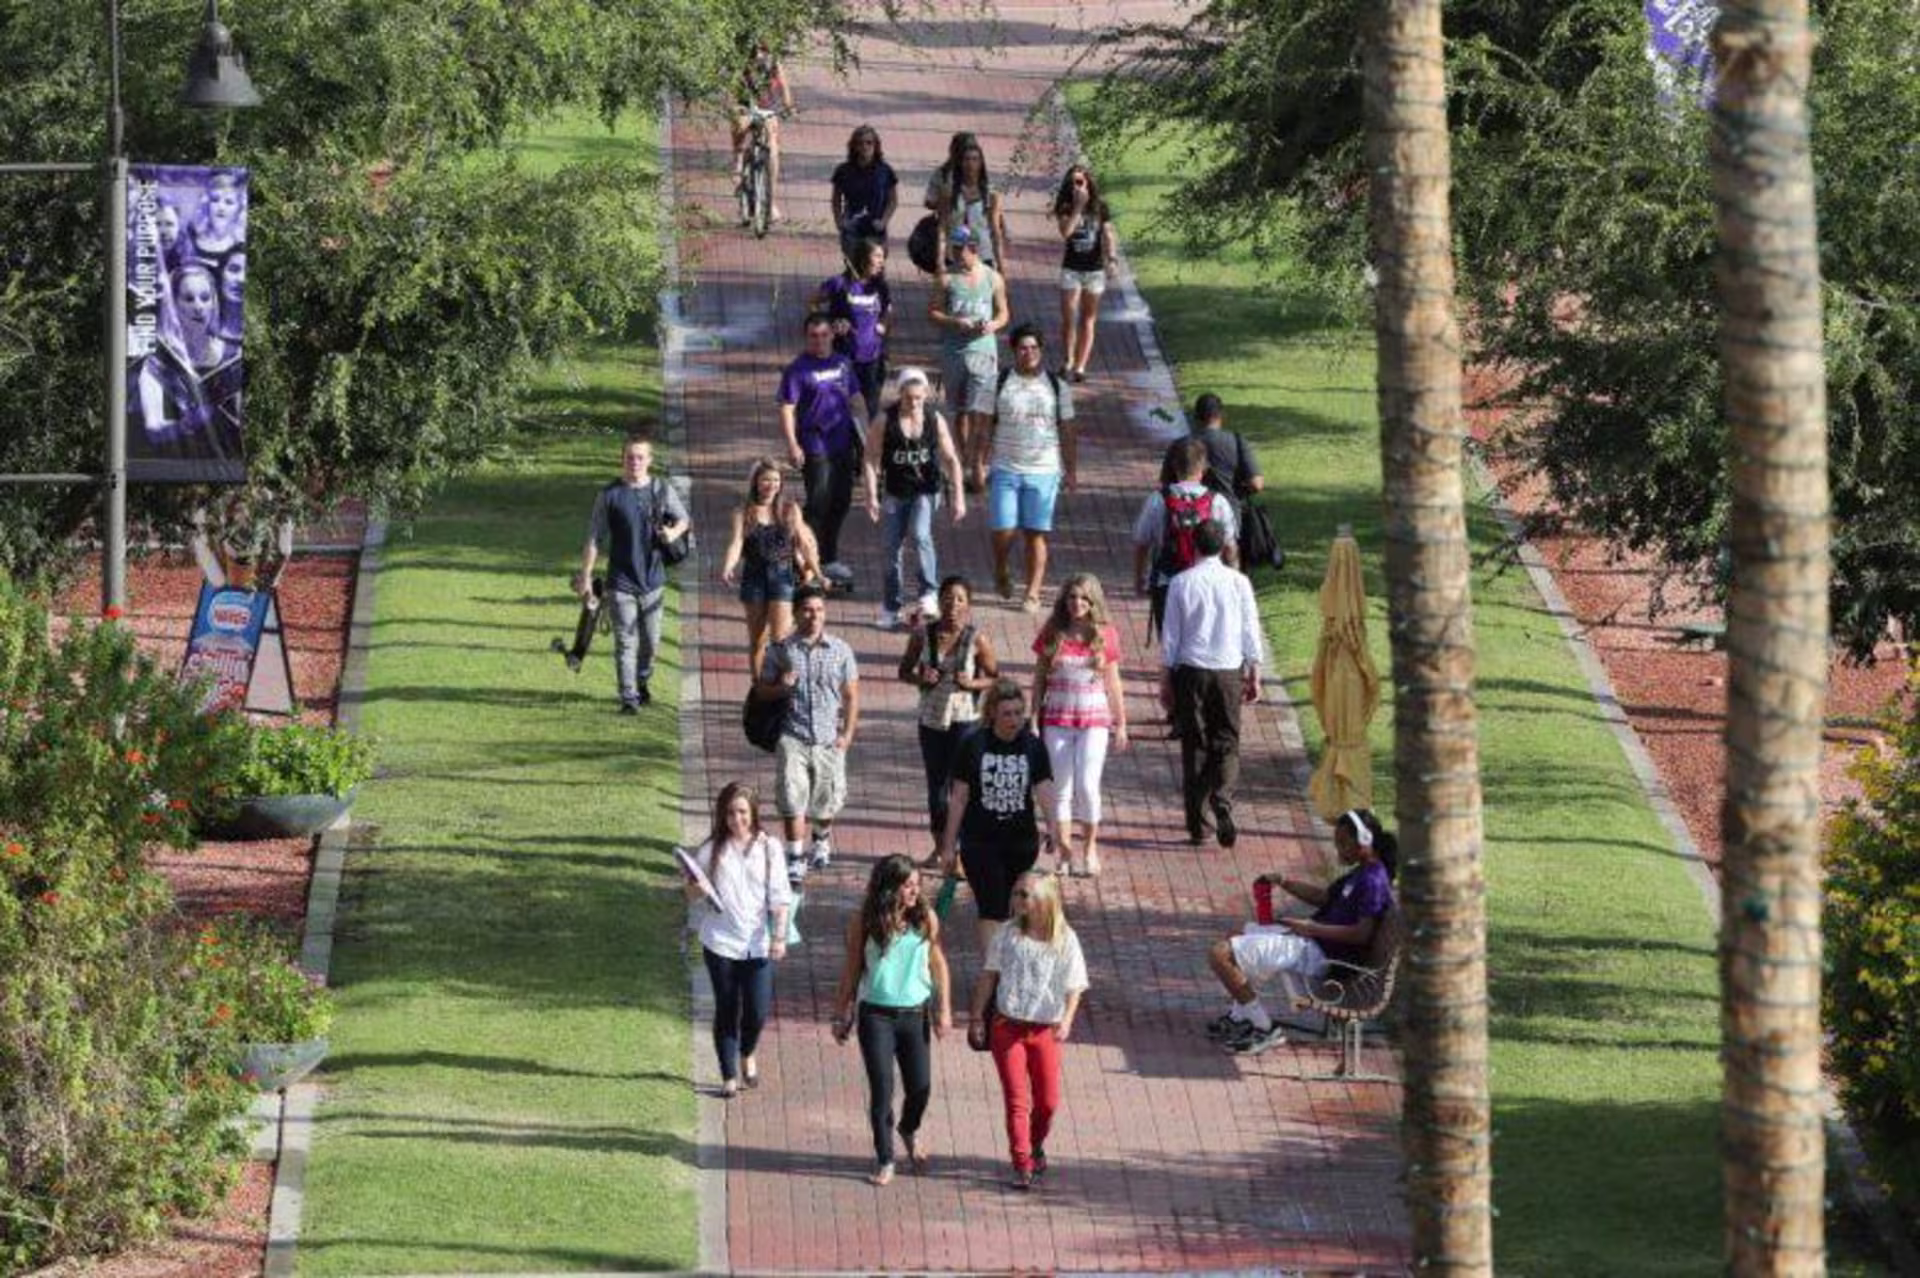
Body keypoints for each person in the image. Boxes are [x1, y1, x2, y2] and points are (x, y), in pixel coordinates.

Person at [1205, 809, 1397, 1055]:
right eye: (1336, 843)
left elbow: (1361, 934)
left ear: (1365, 840)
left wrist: (1310, 928)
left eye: (1343, 843)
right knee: (1233, 939)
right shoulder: (1362, 872)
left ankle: (1263, 1027)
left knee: (1219, 955)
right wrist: (1283, 881)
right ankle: (1240, 1015)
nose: (1338, 850)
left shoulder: (1373, 880)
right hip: (1309, 943)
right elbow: (1324, 898)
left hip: (1320, 956)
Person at [831, 855, 953, 1185]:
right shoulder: (864, 921)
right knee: (882, 1090)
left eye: (917, 885)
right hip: (876, 1016)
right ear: (890, 887)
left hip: (915, 1015)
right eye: (908, 885)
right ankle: (885, 1158)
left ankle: (908, 1128)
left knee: (921, 1088)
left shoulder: (925, 918)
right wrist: (840, 1011)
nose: (915, 891)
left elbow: (938, 964)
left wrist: (944, 1010)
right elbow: (852, 968)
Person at [967, 870, 1088, 1191]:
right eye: (1016, 893)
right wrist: (977, 1017)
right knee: (1017, 1099)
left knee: (1048, 1102)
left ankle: (1035, 1145)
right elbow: (989, 976)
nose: (1017, 899)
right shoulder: (1006, 935)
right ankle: (1021, 1162)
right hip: (1007, 1028)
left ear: (1045, 900)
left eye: (1025, 894)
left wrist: (1067, 1020)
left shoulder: (1065, 938)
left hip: (1045, 1031)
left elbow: (1075, 985)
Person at [1159, 520, 1263, 847]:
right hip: (1228, 671)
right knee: (1228, 741)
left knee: (1195, 746)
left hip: (1191, 671)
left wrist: (1165, 678)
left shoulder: (1180, 583)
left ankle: (1198, 824)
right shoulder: (1239, 583)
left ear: (1194, 544)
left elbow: (1171, 636)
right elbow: (1250, 628)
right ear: (1223, 546)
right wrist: (1254, 669)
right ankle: (1222, 797)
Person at [937, 678, 1060, 954]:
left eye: (1019, 713)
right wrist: (948, 846)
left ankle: (1011, 967)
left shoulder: (1033, 746)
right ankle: (995, 973)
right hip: (981, 841)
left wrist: (1053, 826)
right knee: (991, 908)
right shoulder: (974, 745)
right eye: (1007, 714)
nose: (1015, 720)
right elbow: (958, 798)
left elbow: (1044, 787)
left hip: (1021, 841)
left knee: (1017, 907)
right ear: (992, 712)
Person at [686, 782, 793, 1096]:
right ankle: (728, 1075)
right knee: (727, 1007)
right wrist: (697, 887)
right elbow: (690, 894)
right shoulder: (711, 850)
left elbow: (780, 896)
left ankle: (747, 1052)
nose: (737, 819)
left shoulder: (769, 848)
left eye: (742, 812)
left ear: (754, 812)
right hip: (720, 944)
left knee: (757, 1010)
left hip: (758, 946)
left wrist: (780, 936)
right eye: (730, 813)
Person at [578, 433, 691, 713]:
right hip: (620, 582)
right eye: (630, 457)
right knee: (626, 642)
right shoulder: (609, 495)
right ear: (622, 460)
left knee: (650, 644)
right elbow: (594, 537)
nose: (635, 462)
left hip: (653, 581)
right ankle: (628, 698)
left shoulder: (661, 490)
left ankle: (641, 681)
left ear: (650, 461)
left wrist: (672, 533)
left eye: (640, 457)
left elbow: (685, 519)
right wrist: (586, 575)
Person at [754, 583, 859, 881]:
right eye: (808, 610)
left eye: (819, 610)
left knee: (827, 799)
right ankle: (796, 856)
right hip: (793, 735)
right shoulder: (781, 650)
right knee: (792, 795)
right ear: (797, 613)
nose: (814, 616)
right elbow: (761, 691)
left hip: (828, 738)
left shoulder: (841, 651)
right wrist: (780, 688)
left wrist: (847, 734)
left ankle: (822, 838)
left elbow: (851, 695)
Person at [1031, 574, 1128, 877]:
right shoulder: (1052, 632)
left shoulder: (1105, 634)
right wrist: (1034, 717)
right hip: (1057, 718)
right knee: (1060, 788)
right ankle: (1063, 851)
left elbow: (1113, 681)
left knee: (1087, 785)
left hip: (1093, 719)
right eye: (1072, 597)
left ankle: (1089, 849)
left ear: (1093, 602)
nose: (1077, 604)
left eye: (1084, 598)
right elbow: (1038, 678)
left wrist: (1121, 722)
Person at [898, 575, 999, 849]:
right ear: (939, 601)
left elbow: (995, 677)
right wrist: (921, 678)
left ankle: (961, 847)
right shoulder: (922, 634)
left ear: (968, 604)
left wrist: (972, 683)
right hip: (931, 719)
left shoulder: (977, 638)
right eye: (948, 598)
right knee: (936, 786)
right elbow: (904, 671)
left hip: (965, 720)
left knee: (962, 786)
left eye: (960, 599)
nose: (953, 604)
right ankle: (940, 847)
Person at [863, 366, 965, 629]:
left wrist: (959, 498)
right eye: (909, 398)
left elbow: (951, 459)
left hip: (926, 489)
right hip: (895, 492)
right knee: (890, 549)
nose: (914, 403)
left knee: (920, 534)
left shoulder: (934, 420)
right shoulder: (885, 420)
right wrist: (871, 495)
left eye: (919, 398)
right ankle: (891, 606)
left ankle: (928, 593)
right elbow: (871, 458)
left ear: (926, 396)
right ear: (900, 395)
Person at [985, 322, 1076, 613]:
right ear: (1013, 351)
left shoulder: (1056, 386)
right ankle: (1001, 569)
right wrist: (976, 462)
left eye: (1034, 348)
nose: (1029, 353)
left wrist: (1071, 469)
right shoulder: (998, 382)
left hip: (1044, 469)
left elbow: (1068, 429)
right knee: (1004, 529)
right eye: (1023, 348)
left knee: (1035, 533)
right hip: (1005, 467)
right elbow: (983, 424)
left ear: (1041, 350)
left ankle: (1033, 592)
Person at [778, 314, 863, 588]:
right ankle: (802, 559)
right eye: (813, 336)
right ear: (806, 337)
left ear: (832, 336)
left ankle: (828, 558)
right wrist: (792, 444)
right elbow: (788, 408)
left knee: (841, 501)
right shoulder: (797, 370)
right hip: (814, 445)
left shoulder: (842, 363)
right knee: (818, 502)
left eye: (824, 335)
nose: (819, 340)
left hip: (843, 443)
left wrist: (869, 431)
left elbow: (855, 397)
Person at [721, 459, 821, 681]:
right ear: (756, 482)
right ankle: (759, 686)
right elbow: (736, 542)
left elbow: (805, 542)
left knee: (780, 638)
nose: (771, 485)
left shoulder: (789, 509)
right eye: (766, 479)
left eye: (776, 480)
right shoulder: (743, 511)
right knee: (757, 639)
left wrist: (818, 572)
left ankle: (784, 683)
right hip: (754, 575)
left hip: (782, 575)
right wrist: (728, 566)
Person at [928, 224, 1009, 493]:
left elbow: (1004, 313)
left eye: (960, 248)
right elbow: (933, 312)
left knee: (981, 413)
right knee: (960, 411)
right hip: (954, 353)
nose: (955, 253)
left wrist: (993, 325)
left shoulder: (993, 278)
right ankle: (963, 461)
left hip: (984, 352)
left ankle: (978, 466)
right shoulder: (945, 278)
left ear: (974, 248)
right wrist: (954, 321)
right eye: (953, 247)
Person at [1135, 436, 1240, 638]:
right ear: (1204, 467)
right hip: (1207, 583)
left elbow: (1141, 543)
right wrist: (1234, 577)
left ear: (1174, 466)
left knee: (1170, 641)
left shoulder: (1158, 500)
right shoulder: (1217, 501)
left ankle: (1172, 669)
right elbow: (1230, 548)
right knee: (1202, 637)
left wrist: (1139, 579)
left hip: (1167, 581)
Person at [135, 263, 243, 453]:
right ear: (173, 305)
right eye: (188, 298)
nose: (199, 307)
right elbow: (154, 430)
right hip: (176, 466)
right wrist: (189, 423)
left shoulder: (233, 356)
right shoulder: (157, 362)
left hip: (228, 466)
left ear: (213, 303)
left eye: (205, 298)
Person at [814, 239, 894, 422]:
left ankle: (866, 448)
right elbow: (812, 302)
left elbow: (888, 311)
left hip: (873, 358)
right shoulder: (839, 284)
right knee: (842, 406)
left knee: (871, 409)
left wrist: (883, 325)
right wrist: (828, 325)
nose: (882, 261)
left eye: (883, 257)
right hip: (844, 357)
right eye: (878, 256)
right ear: (863, 257)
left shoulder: (880, 286)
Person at [1157, 392, 1265, 521]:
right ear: (1221, 415)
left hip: (1188, 516)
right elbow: (1257, 484)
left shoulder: (1180, 445)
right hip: (1229, 514)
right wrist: (1236, 493)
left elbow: (1165, 484)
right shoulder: (1237, 441)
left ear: (1196, 416)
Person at [1052, 164, 1115, 384]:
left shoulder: (1100, 207)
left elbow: (1108, 234)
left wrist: (1112, 259)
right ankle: (1068, 360)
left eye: (1080, 182)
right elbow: (1066, 233)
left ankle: (1080, 366)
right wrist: (1078, 208)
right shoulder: (1065, 206)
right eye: (1072, 182)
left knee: (1088, 319)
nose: (1076, 186)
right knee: (1069, 317)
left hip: (1094, 271)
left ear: (1088, 183)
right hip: (1071, 270)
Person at [925, 132, 1007, 273]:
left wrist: (1001, 265)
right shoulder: (948, 191)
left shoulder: (991, 193)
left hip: (983, 256)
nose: (970, 164)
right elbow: (942, 228)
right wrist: (940, 261)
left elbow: (995, 232)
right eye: (966, 159)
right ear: (960, 163)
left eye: (975, 159)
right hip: (954, 256)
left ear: (981, 163)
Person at [730, 38, 794, 222]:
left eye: (762, 49)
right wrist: (734, 106)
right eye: (754, 50)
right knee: (739, 124)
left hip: (766, 108)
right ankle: (738, 161)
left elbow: (784, 85)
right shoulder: (741, 64)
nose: (759, 54)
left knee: (773, 148)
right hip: (745, 106)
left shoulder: (773, 62)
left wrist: (789, 105)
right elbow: (732, 89)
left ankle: (770, 202)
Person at [831, 124, 899, 265]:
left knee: (875, 269)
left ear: (876, 145)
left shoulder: (885, 171)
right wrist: (839, 221)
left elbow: (893, 200)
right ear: (854, 146)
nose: (865, 147)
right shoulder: (844, 171)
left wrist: (884, 221)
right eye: (860, 143)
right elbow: (836, 199)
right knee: (854, 269)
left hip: (875, 228)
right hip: (852, 226)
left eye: (869, 142)